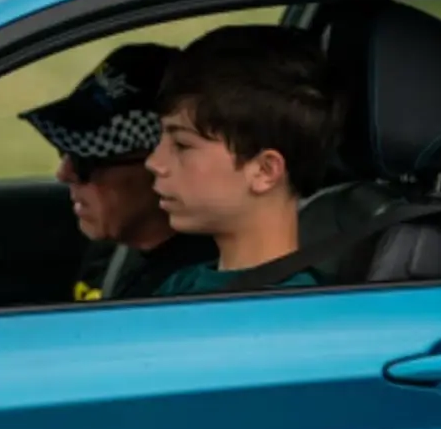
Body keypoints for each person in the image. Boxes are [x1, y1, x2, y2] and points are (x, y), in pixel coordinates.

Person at [0, 43, 216, 315]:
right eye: (64, 152)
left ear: (161, 162)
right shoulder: (114, 245)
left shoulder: (187, 294)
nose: (63, 173)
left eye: (87, 160)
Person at [146, 25, 342, 297]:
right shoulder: (184, 283)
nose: (154, 162)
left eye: (181, 145)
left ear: (264, 171)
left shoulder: (292, 307)